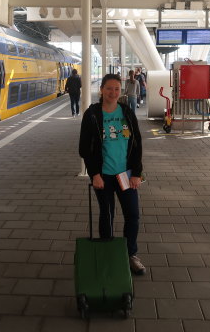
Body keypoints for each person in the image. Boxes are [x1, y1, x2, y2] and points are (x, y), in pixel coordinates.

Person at [79, 73, 146, 275]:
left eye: (117, 88)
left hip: (125, 174)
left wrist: (137, 173)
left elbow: (137, 143)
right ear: (101, 90)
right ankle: (108, 252)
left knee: (132, 215)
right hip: (104, 176)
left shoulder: (126, 111)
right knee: (107, 216)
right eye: (109, 88)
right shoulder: (92, 115)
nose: (113, 92)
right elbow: (84, 148)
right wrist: (94, 174)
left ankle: (130, 254)